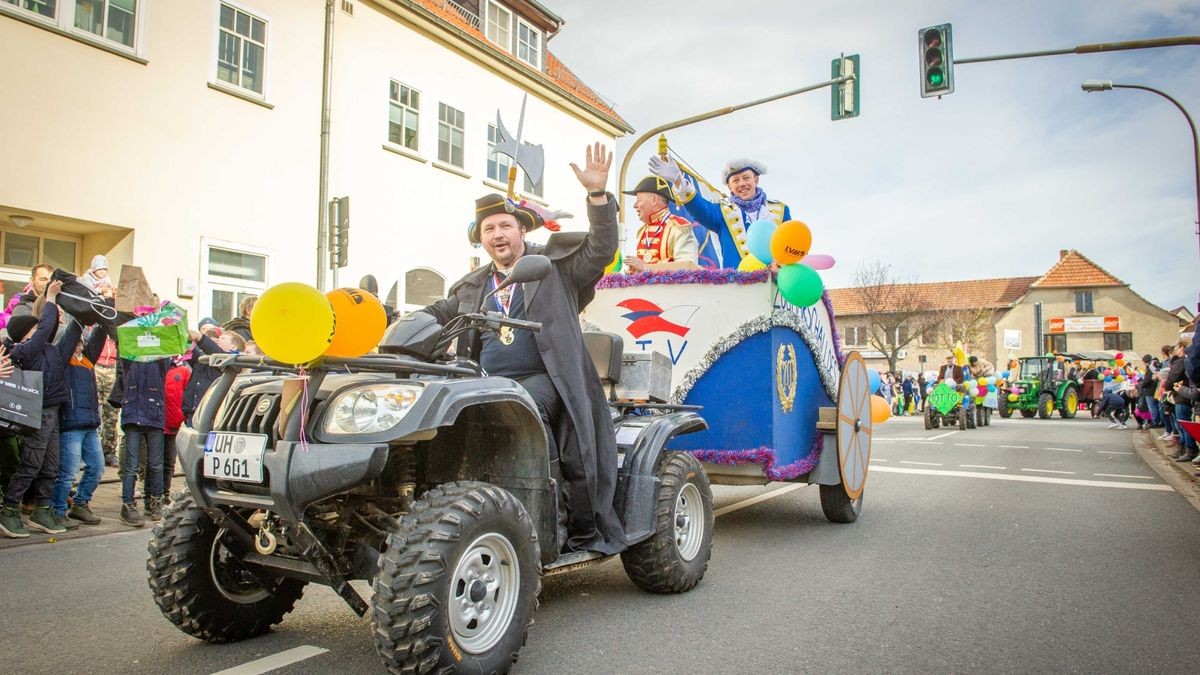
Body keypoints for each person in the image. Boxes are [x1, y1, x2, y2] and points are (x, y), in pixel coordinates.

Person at [420, 142, 626, 556]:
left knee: (526, 408)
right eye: (489, 230)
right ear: (482, 239)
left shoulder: (554, 265)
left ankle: (561, 526)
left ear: (521, 231)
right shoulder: (472, 285)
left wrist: (597, 196)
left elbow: (601, 250)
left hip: (549, 380)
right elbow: (436, 314)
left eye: (504, 226)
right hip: (486, 383)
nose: (497, 234)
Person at [0, 280, 73, 538]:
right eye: (35, 329)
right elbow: (45, 328)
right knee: (30, 464)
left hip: (53, 412)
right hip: (37, 413)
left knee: (51, 466)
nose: (41, 332)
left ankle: (42, 510)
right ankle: (9, 511)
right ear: (24, 335)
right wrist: (50, 298)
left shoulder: (46, 348)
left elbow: (49, 330)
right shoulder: (24, 350)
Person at [648, 155, 792, 269]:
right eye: (735, 181)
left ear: (756, 180)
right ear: (729, 187)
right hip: (738, 288)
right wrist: (678, 180)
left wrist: (780, 265)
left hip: (776, 286)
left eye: (746, 178)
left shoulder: (780, 210)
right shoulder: (723, 213)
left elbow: (790, 246)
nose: (742, 184)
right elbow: (699, 208)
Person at [52, 322, 113, 527]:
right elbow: (70, 335)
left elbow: (97, 337)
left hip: (90, 424)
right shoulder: (62, 360)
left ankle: (80, 504)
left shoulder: (86, 360)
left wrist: (103, 320)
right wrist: (79, 318)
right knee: (68, 473)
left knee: (97, 468)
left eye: (81, 342)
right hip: (71, 424)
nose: (80, 344)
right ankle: (58, 510)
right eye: (76, 342)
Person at [621, 175, 699, 272]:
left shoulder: (679, 227)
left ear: (654, 200)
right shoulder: (642, 231)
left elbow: (688, 267)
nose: (635, 205)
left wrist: (646, 268)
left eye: (638, 200)